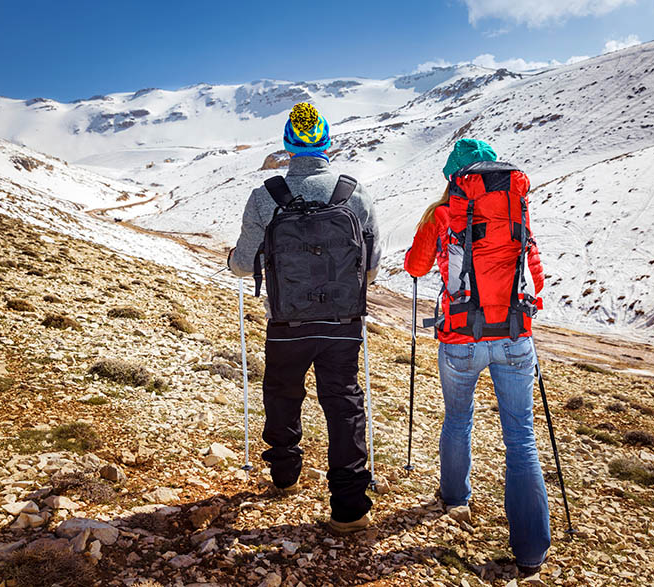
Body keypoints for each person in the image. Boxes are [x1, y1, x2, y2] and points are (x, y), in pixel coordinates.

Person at [228, 102, 381, 533]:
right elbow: (371, 267)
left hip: (285, 323)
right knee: (343, 404)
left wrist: (234, 262)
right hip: (343, 322)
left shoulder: (265, 197)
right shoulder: (356, 194)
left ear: (287, 145)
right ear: (327, 142)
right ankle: (350, 507)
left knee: (281, 393)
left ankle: (284, 474)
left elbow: (243, 263)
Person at [403, 138, 550, 573]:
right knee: (521, 439)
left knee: (458, 419)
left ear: (455, 178)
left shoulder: (444, 212)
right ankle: (531, 552)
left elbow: (414, 266)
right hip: (514, 334)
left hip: (461, 337)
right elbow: (535, 279)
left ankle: (454, 499)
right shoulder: (515, 209)